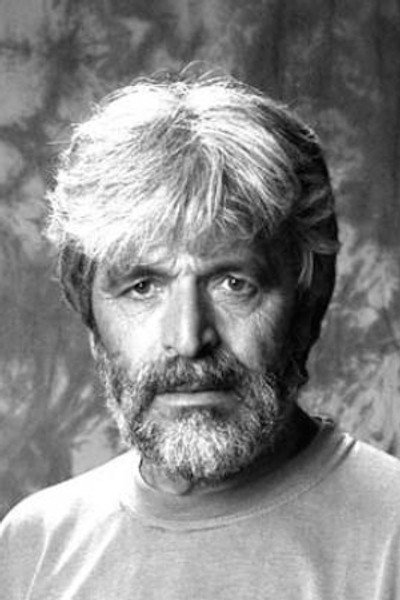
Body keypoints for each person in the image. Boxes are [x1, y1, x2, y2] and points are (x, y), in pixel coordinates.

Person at [1, 68, 400, 600]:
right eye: (143, 287)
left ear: (309, 298)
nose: (189, 339)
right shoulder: (31, 547)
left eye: (234, 283)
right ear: (88, 311)